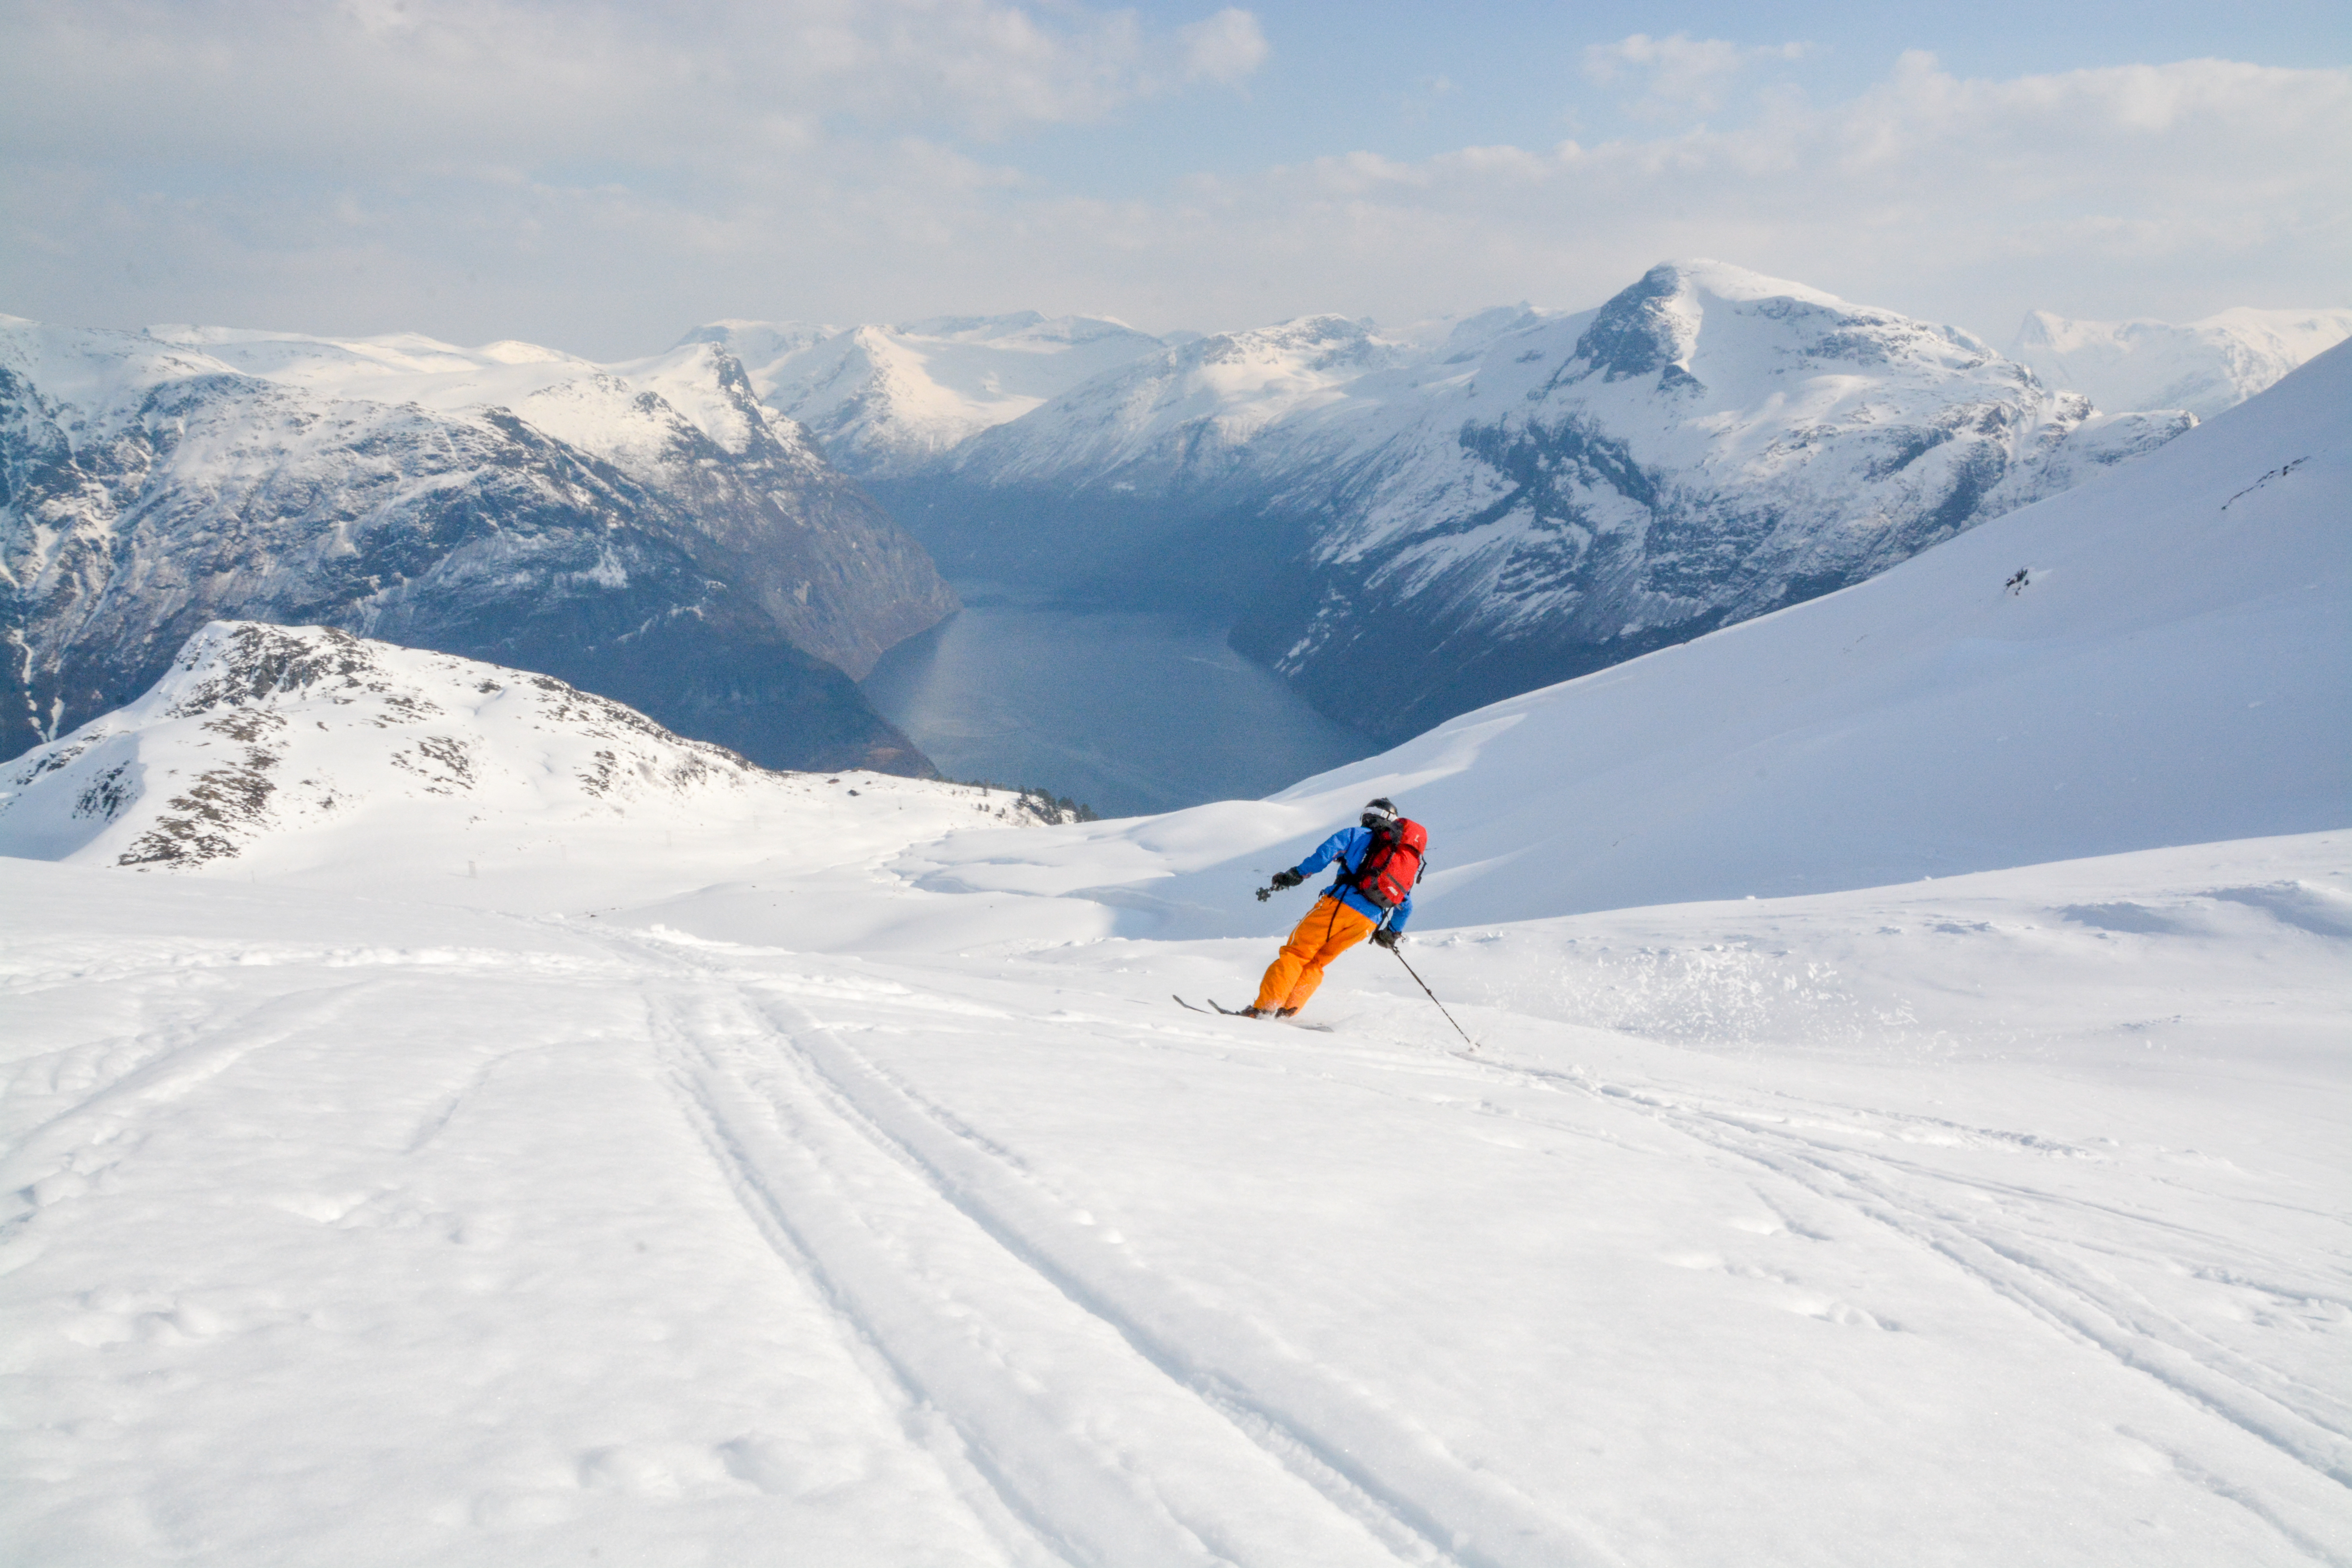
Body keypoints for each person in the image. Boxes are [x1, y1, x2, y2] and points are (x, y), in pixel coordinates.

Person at [1240, 797, 1417, 1018]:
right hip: (1368, 922)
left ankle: (1264, 1009)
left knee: (1297, 953)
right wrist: (1391, 934)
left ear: (1367, 815)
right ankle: (1285, 1012)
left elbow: (1324, 855)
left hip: (1341, 905)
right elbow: (1406, 906)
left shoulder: (1356, 835)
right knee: (1317, 962)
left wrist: (1295, 875)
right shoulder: (1398, 858)